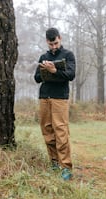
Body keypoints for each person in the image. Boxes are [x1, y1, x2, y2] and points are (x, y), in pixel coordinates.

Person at [34, 27, 76, 180]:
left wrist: (54, 71)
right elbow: (37, 78)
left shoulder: (68, 55)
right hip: (44, 97)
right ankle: (54, 163)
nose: (54, 47)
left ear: (60, 38)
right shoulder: (43, 56)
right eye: (51, 44)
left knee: (60, 130)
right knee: (47, 130)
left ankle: (66, 167)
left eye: (56, 43)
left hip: (60, 98)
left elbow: (71, 75)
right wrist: (44, 69)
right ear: (47, 42)